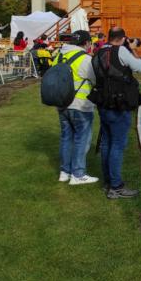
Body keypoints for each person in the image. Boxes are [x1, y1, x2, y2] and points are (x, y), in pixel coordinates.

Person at [92, 27, 141, 199]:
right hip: (119, 104)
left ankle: (108, 182)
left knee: (107, 143)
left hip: (103, 102)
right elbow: (139, 67)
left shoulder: (99, 52)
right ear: (122, 39)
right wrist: (134, 48)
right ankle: (116, 186)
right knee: (117, 145)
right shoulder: (121, 50)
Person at [52, 30, 97, 185]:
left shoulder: (59, 55)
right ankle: (78, 174)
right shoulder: (84, 59)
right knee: (81, 139)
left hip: (62, 103)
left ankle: (64, 172)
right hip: (80, 104)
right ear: (86, 43)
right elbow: (94, 78)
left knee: (66, 138)